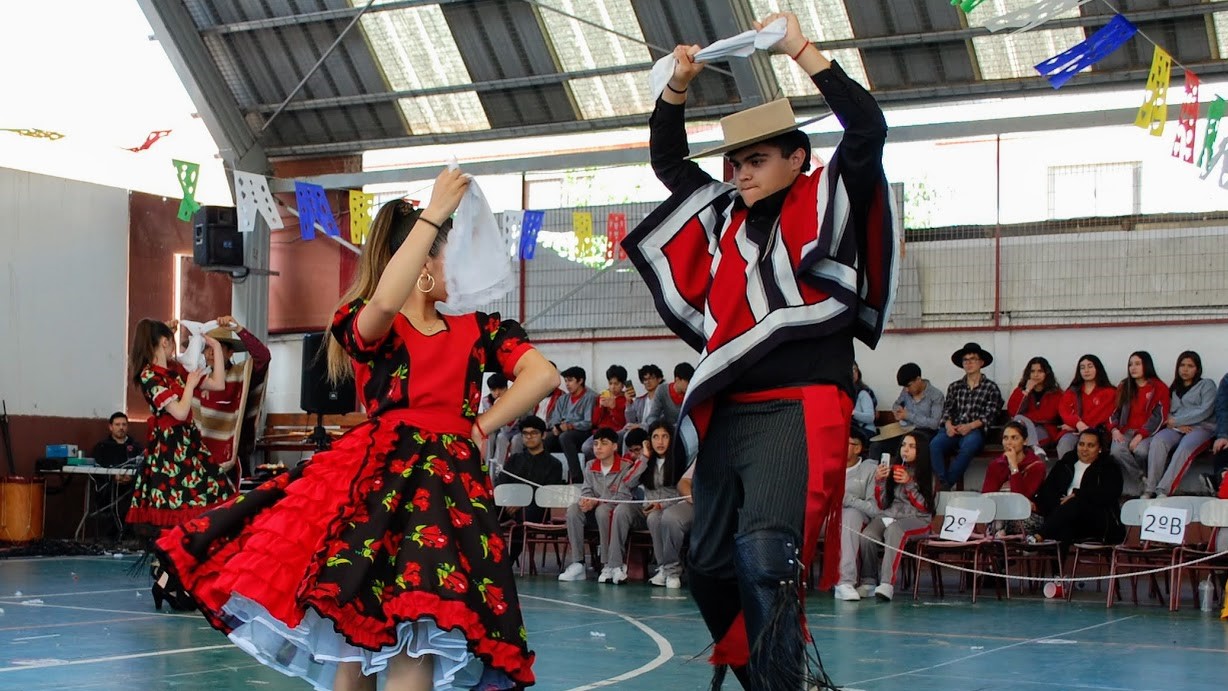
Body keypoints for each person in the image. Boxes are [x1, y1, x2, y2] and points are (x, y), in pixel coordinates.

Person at [153, 174, 559, 691]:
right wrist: (477, 426)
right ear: (423, 265)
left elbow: (544, 375)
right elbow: (391, 308)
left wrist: (478, 423)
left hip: (395, 486)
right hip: (426, 487)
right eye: (447, 255)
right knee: (403, 631)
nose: (458, 268)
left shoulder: (474, 325)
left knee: (365, 634)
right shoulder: (383, 320)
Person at [622, 11, 896, 690]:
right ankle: (769, 681)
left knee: (766, 552)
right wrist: (678, 88)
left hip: (800, 405)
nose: (741, 173)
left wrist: (801, 49)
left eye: (756, 160)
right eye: (736, 163)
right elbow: (667, 160)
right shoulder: (721, 217)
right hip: (730, 406)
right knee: (710, 563)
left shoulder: (827, 196)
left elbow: (867, 129)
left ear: (796, 158)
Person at [126, 319, 234, 533]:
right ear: (165, 342)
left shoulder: (176, 369)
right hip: (170, 448)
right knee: (175, 503)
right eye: (172, 342)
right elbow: (180, 411)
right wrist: (190, 385)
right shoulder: (150, 375)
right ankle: (169, 555)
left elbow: (218, 383)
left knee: (217, 487)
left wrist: (215, 348)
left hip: (188, 442)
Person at [558, 427, 646, 584]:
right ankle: (578, 563)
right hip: (593, 510)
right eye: (596, 444)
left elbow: (622, 496)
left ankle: (607, 564)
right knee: (573, 509)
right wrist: (586, 500)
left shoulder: (625, 466)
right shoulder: (591, 465)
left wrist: (596, 501)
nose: (598, 447)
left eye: (603, 443)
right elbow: (586, 490)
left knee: (603, 510)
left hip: (612, 512)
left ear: (614, 447)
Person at [856, 431, 935, 602]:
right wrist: (880, 482)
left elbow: (924, 507)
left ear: (921, 451)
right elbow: (883, 503)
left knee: (894, 530)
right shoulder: (893, 469)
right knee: (868, 536)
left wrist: (909, 483)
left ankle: (887, 584)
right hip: (890, 515)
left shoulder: (928, 475)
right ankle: (869, 581)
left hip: (918, 519)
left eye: (912, 446)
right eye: (904, 445)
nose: (905, 450)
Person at [192, 316, 271, 480]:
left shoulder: (241, 374)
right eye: (207, 347)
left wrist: (238, 329)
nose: (211, 352)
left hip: (233, 455)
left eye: (217, 347)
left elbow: (263, 357)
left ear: (230, 352)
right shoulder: (195, 377)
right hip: (198, 459)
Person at [615, 421, 692, 589]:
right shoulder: (646, 460)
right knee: (624, 510)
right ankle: (614, 566)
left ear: (671, 439)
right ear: (649, 440)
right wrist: (644, 457)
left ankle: (668, 569)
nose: (660, 442)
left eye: (664, 436)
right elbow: (628, 482)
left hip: (670, 511)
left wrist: (661, 506)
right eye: (655, 437)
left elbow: (684, 495)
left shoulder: (681, 460)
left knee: (656, 518)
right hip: (648, 509)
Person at [1033, 429, 1125, 554]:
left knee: (1074, 502)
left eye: (1090, 445)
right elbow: (1047, 490)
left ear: (1100, 448)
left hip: (1099, 521)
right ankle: (1057, 573)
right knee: (1064, 525)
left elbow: (1110, 494)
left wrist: (1078, 494)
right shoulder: (1066, 462)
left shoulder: (1109, 466)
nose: (1084, 449)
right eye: (1081, 444)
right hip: (1067, 519)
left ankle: (1039, 536)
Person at [931, 343, 1003, 489]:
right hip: (954, 428)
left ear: (981, 363)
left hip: (974, 430)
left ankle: (946, 484)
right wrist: (948, 425)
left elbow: (991, 414)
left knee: (969, 446)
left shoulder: (991, 387)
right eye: (965, 360)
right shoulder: (954, 386)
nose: (969, 363)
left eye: (973, 359)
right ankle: (942, 479)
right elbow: (947, 409)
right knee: (935, 445)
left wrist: (970, 426)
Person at [495, 415, 565, 565]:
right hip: (508, 505)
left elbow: (548, 492)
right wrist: (509, 501)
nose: (529, 437)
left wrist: (522, 501)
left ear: (543, 435)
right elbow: (502, 483)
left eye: (534, 433)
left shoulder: (554, 464)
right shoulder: (514, 459)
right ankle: (485, 558)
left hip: (536, 508)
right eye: (525, 434)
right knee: (484, 510)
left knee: (526, 514)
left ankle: (508, 561)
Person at [1146, 351, 1216, 498]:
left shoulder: (1206, 385)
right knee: (1158, 441)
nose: (1185, 369)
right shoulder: (1174, 389)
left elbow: (1206, 410)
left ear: (1197, 369)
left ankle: (1164, 490)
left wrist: (1178, 421)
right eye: (1182, 365)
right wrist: (1177, 425)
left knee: (1185, 447)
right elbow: (1167, 411)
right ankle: (1150, 488)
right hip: (1176, 428)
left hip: (1201, 428)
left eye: (1190, 366)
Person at [1109, 351, 1170, 496]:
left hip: (1148, 432)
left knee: (1141, 451)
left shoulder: (1158, 387)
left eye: (1137, 364)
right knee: (1116, 451)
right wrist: (1114, 429)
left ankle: (1148, 489)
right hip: (1125, 430)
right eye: (1130, 364)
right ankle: (1142, 479)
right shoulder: (1124, 386)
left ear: (1146, 365)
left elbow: (1159, 416)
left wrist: (1141, 435)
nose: (1133, 368)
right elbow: (1113, 411)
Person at [833, 428, 880, 601]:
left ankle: (845, 581)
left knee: (851, 515)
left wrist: (848, 499)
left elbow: (874, 509)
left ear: (858, 448)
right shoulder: (828, 464)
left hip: (853, 520)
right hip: (826, 519)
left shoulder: (869, 469)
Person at [980, 421, 1046, 535]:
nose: (1009, 442)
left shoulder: (1036, 466)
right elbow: (987, 496)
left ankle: (1001, 534)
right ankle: (1000, 534)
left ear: (1025, 441)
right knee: (995, 521)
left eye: (1014, 438)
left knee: (1008, 523)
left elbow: (1021, 500)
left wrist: (1014, 467)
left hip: (1027, 516)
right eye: (1005, 438)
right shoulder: (995, 465)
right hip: (999, 514)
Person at [869, 362, 943, 460]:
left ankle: (899, 472)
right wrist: (897, 411)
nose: (906, 390)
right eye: (904, 387)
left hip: (925, 434)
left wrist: (908, 416)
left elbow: (934, 423)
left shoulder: (936, 395)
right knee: (876, 446)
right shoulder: (906, 391)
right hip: (904, 430)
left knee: (904, 446)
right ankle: (874, 473)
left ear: (918, 379)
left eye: (909, 386)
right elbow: (896, 404)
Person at [1055, 354, 1116, 458]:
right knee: (1065, 443)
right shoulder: (1072, 391)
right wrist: (1077, 424)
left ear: (1098, 368)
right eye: (1082, 367)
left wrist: (1079, 426)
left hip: (1098, 432)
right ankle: (1067, 473)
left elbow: (1103, 415)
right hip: (1074, 432)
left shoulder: (1109, 392)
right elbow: (1064, 411)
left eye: (1090, 366)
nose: (1086, 370)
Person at [545, 366, 597, 482]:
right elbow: (554, 418)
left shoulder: (591, 397)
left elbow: (588, 423)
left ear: (580, 381)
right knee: (546, 440)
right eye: (566, 381)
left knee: (565, 437)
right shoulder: (562, 399)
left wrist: (570, 426)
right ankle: (549, 477)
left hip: (582, 433)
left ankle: (577, 477)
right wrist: (556, 427)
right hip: (562, 431)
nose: (567, 384)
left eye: (570, 380)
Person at [1006, 357, 1062, 453]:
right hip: (1023, 429)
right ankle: (1035, 453)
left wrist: (1027, 418)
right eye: (1032, 371)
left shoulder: (1055, 393)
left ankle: (1031, 454)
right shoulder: (1021, 390)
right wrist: (1026, 391)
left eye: (1040, 371)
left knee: (1021, 444)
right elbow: (1013, 412)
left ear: (1046, 373)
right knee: (1017, 434)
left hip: (1044, 429)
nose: (1036, 375)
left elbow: (1049, 415)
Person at [850, 362, 878, 439]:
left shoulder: (863, 393)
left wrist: (853, 413)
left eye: (855, 369)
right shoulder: (842, 393)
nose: (853, 373)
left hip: (865, 430)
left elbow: (871, 417)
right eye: (850, 370)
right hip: (850, 430)